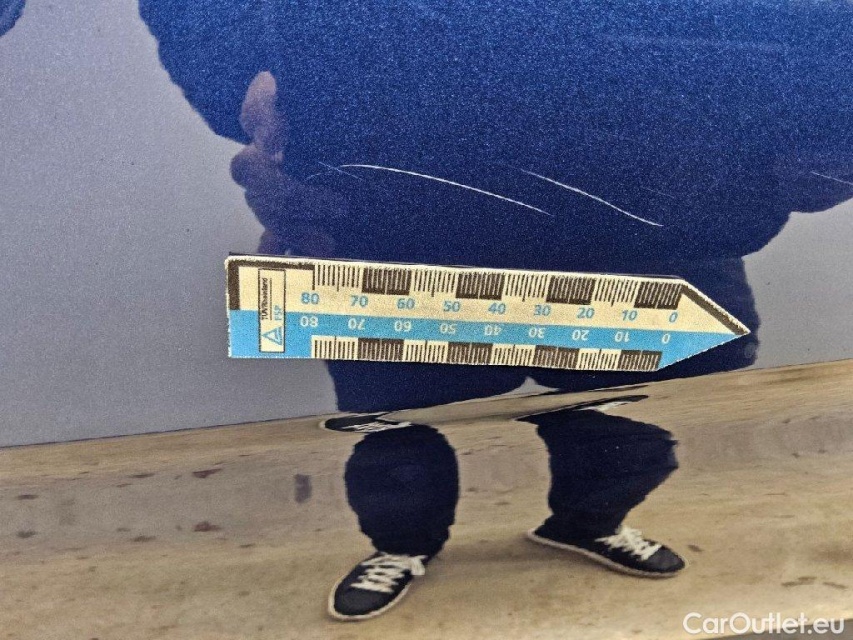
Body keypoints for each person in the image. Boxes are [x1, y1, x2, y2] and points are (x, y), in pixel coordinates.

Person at [140, 0, 852, 620]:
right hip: (399, 202)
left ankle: (588, 521)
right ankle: (401, 546)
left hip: (648, 208)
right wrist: (241, 72)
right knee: (394, 418)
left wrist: (829, 132)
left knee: (620, 412)